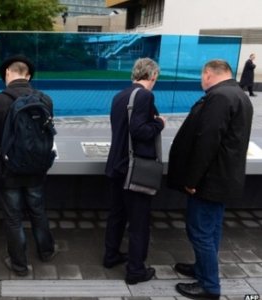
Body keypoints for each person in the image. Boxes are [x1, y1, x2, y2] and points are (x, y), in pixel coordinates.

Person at [168, 60, 253, 299]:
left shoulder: (220, 98)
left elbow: (207, 141)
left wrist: (192, 179)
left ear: (207, 74)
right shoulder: (238, 94)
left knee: (200, 231)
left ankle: (209, 285)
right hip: (223, 178)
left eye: (201, 76)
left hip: (209, 180)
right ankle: (203, 268)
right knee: (211, 229)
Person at [0, 55, 57, 277]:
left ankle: (20, 265)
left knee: (13, 218)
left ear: (7, 74)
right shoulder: (45, 100)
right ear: (28, 76)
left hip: (7, 169)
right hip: (37, 166)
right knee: (38, 210)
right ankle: (46, 251)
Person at [103, 58, 165, 285]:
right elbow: (140, 131)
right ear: (153, 76)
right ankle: (135, 271)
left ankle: (111, 256)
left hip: (116, 166)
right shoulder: (145, 96)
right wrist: (160, 124)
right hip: (134, 169)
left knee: (117, 214)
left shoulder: (120, 95)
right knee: (139, 221)